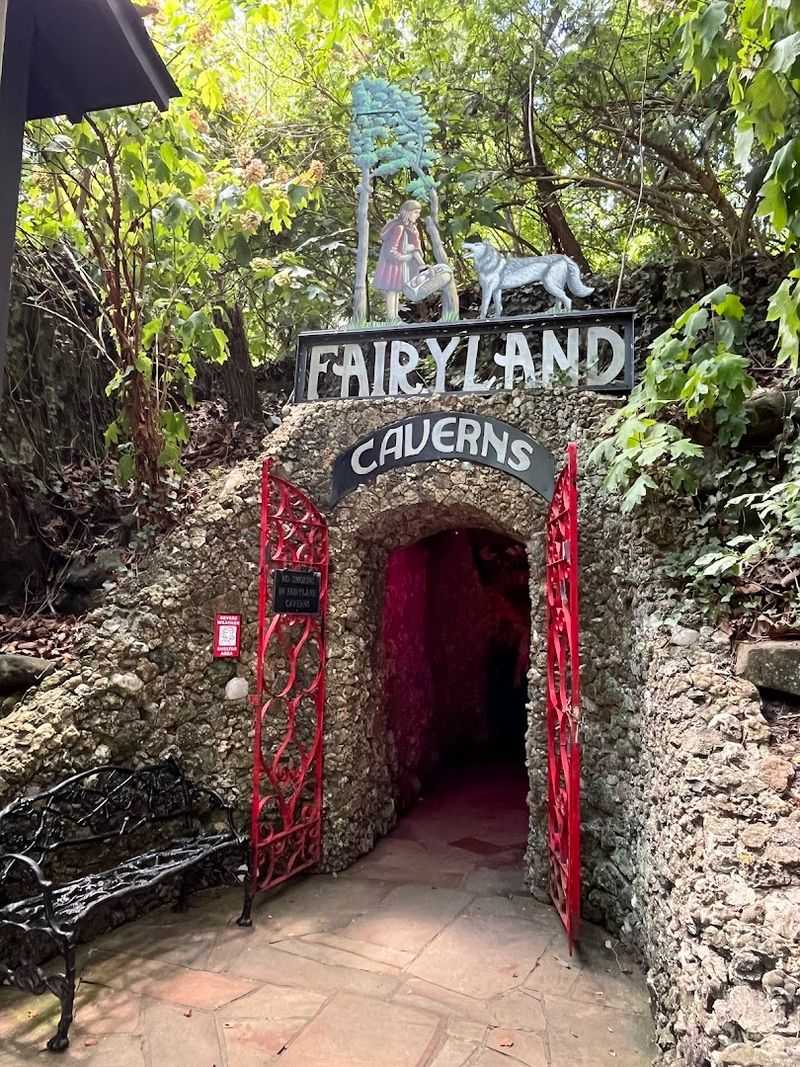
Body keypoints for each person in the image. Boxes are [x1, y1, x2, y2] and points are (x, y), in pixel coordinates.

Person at [373, 200, 425, 320]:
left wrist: (420, 262)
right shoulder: (399, 227)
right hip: (392, 264)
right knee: (392, 289)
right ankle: (391, 317)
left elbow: (414, 246)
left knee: (396, 290)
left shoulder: (411, 228)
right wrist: (404, 257)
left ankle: (394, 317)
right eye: (415, 212)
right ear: (407, 213)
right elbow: (392, 249)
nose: (418, 215)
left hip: (400, 264)